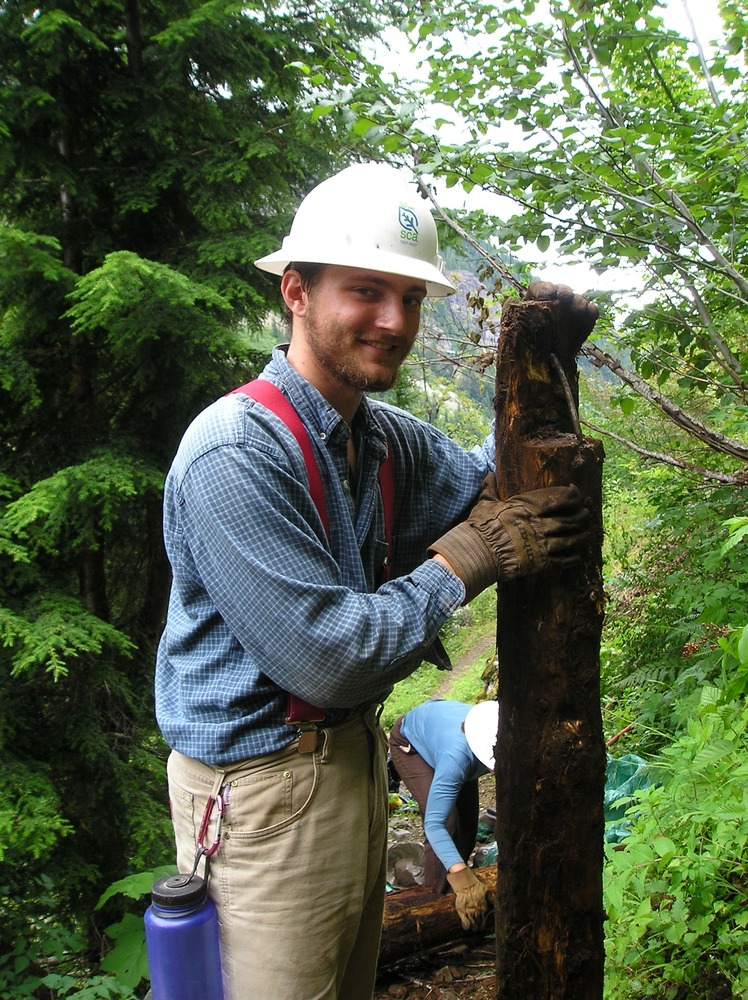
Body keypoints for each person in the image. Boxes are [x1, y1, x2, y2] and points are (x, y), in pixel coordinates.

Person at [154, 161, 597, 1000]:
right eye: (365, 292)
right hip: (258, 793)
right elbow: (329, 659)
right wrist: (469, 559)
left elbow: (481, 476)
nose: (394, 321)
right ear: (296, 291)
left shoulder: (376, 438)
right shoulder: (235, 454)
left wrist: (549, 378)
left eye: (412, 298)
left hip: (351, 762)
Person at [389, 699, 498, 931]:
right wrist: (463, 880)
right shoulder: (456, 758)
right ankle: (434, 905)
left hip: (444, 736)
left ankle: (457, 907)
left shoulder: (495, 735)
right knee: (448, 823)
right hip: (411, 744)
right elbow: (434, 825)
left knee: (467, 829)